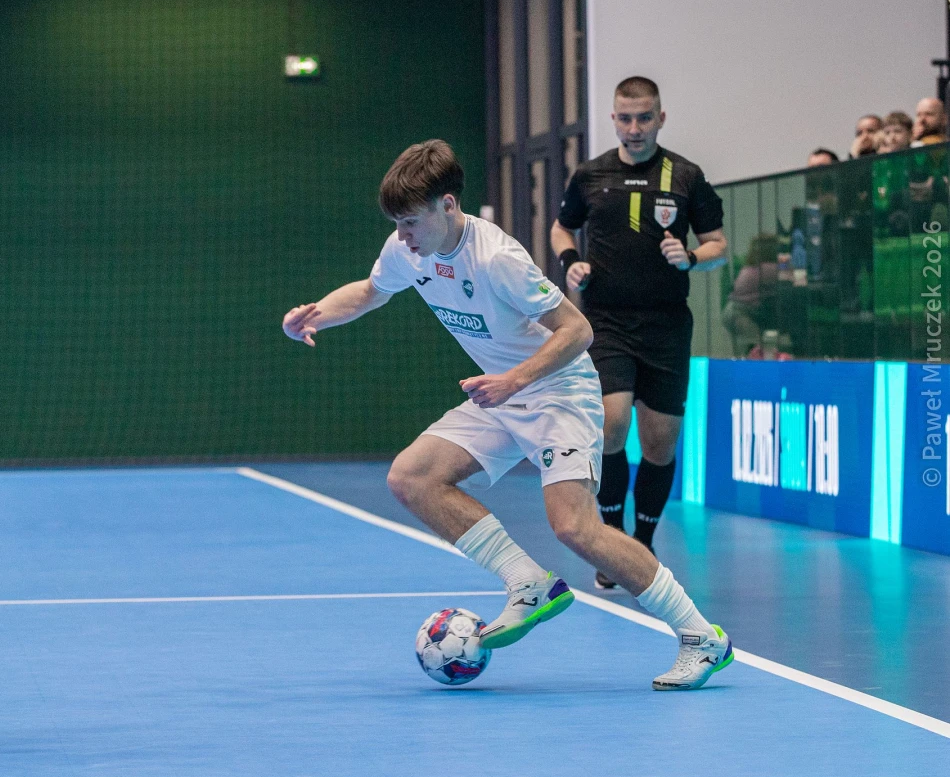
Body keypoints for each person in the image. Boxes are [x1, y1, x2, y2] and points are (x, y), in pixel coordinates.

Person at [282, 140, 732, 690]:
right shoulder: (408, 250)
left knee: (574, 527)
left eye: (411, 222)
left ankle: (702, 637)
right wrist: (316, 316)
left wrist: (514, 380)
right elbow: (372, 291)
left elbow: (578, 331)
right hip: (502, 392)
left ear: (448, 206)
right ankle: (528, 582)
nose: (402, 236)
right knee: (412, 476)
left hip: (556, 390)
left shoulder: (497, 258)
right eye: (397, 224)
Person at [549, 76, 728, 589]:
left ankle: (642, 543)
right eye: (625, 118)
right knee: (611, 422)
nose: (634, 128)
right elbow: (562, 227)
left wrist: (690, 256)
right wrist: (571, 261)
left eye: (644, 117)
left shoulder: (686, 176)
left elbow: (718, 245)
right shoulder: (591, 175)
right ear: (613, 119)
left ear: (660, 118)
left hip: (666, 324)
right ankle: (611, 541)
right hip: (605, 321)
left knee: (660, 443)